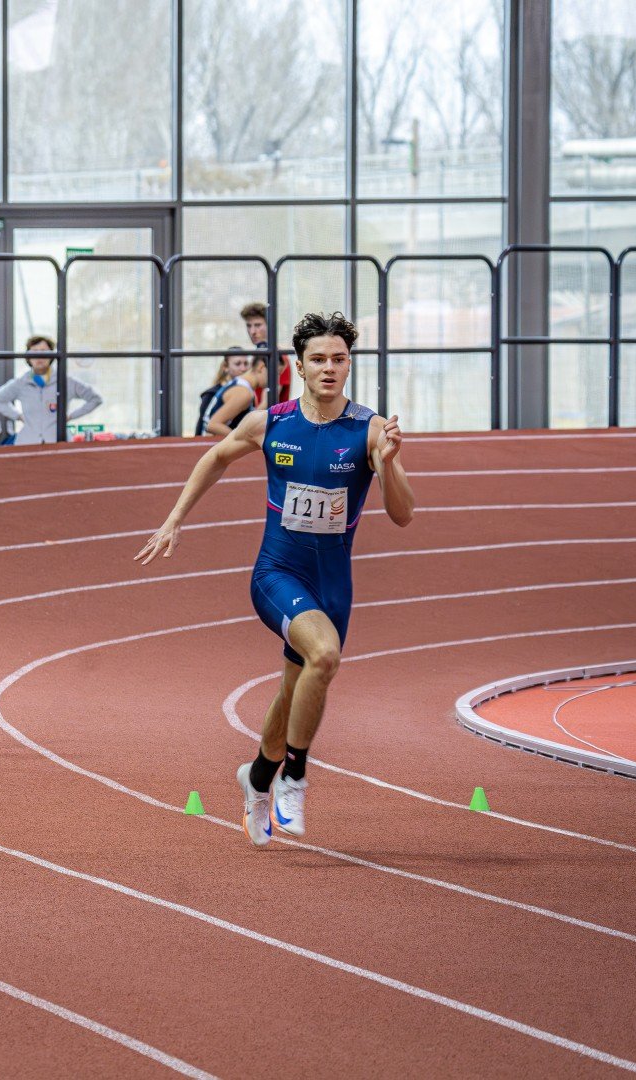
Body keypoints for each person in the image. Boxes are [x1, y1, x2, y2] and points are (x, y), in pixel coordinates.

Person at [135, 311, 414, 846]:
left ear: (349, 364)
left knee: (297, 688)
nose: (329, 368)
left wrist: (393, 464)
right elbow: (215, 457)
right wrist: (174, 519)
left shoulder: (371, 429)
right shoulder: (272, 422)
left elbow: (402, 514)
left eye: (339, 359)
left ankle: (257, 777)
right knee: (325, 655)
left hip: (332, 583)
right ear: (300, 366)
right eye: (318, 360)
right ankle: (296, 775)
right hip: (277, 573)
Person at [0, 334, 103, 445]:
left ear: (52, 355)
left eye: (44, 351)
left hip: (59, 442)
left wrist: (71, 416)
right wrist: (18, 416)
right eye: (34, 352)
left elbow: (95, 399)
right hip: (28, 443)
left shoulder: (66, 381)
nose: (39, 356)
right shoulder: (20, 383)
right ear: (28, 357)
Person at [198, 347, 268, 439]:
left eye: (245, 363)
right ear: (261, 367)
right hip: (210, 444)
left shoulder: (241, 385)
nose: (243, 368)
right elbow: (213, 425)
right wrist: (243, 440)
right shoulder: (243, 392)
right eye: (277, 373)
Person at [243, 301, 288, 403]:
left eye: (258, 325)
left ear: (270, 326)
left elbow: (267, 403)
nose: (252, 331)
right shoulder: (255, 356)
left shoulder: (280, 357)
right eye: (249, 326)